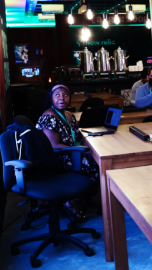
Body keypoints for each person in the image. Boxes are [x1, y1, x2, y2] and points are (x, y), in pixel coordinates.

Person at [35, 84, 99, 221]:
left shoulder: (69, 115)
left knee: (96, 157)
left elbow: (75, 137)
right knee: (92, 163)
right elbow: (53, 146)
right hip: (55, 158)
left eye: (65, 95)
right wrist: (81, 151)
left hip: (70, 152)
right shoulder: (49, 116)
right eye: (57, 95)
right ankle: (72, 203)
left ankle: (80, 197)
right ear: (51, 98)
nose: (61, 99)